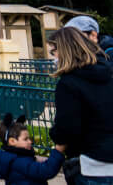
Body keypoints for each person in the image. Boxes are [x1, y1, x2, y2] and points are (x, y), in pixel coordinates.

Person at [48, 27, 113, 184]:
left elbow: (67, 128)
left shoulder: (68, 84)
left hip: (91, 164)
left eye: (53, 52)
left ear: (64, 50)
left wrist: (55, 135)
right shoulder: (108, 75)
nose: (53, 57)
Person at [0, 113, 65, 184]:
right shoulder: (19, 162)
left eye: (29, 138)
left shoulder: (11, 158)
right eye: (25, 139)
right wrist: (58, 151)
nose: (30, 141)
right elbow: (45, 171)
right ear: (12, 141)